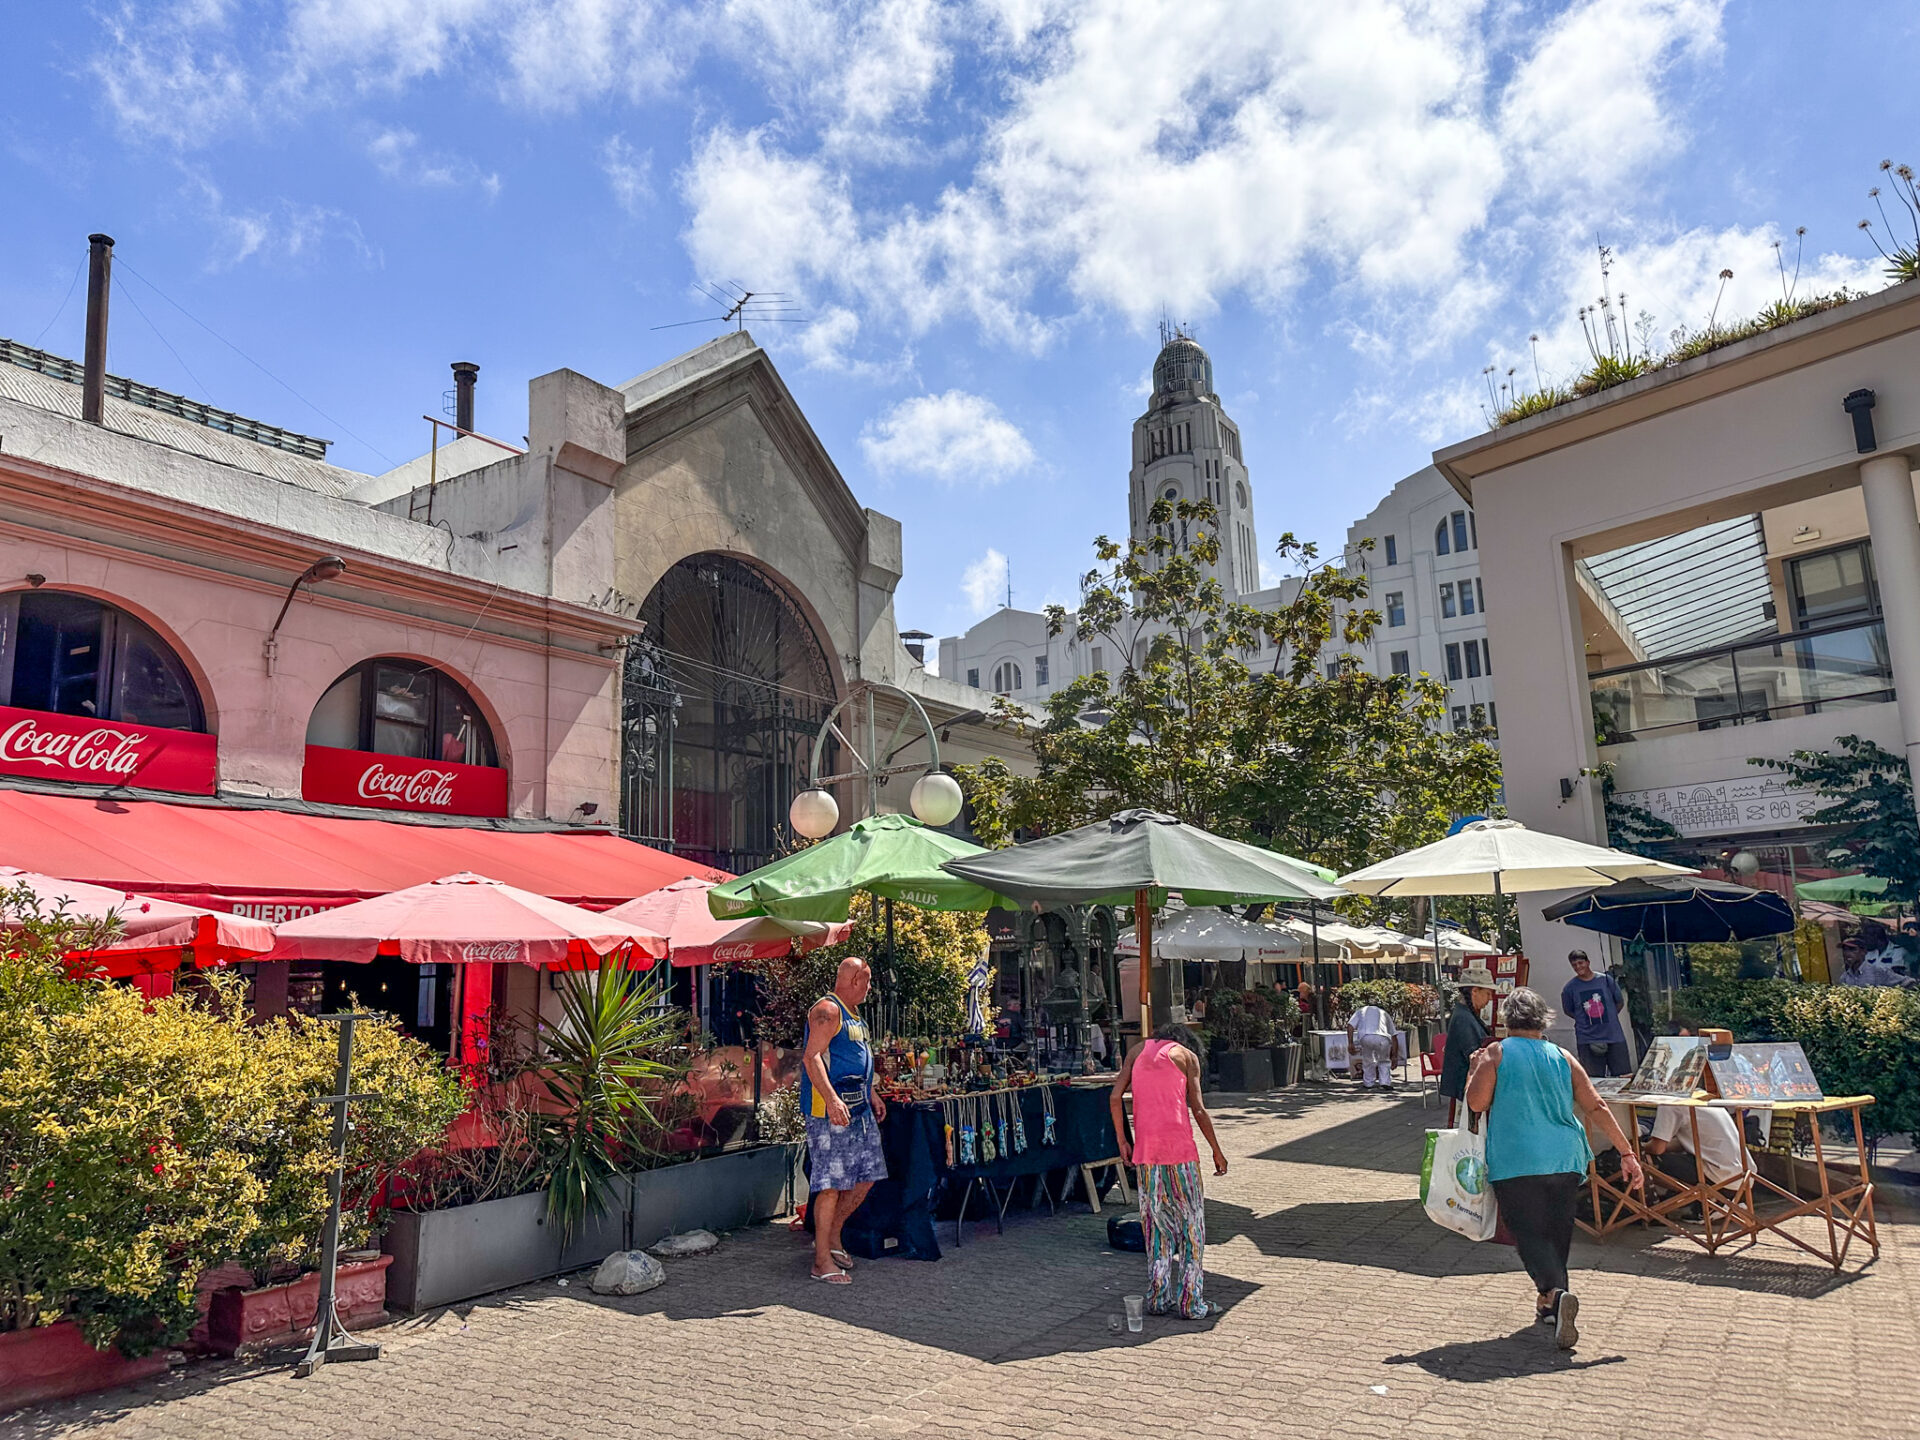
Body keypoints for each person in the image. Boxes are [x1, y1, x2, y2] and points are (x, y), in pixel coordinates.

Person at [1465, 987, 1643, 1350]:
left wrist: (1473, 1070)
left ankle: (1555, 1293)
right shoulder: (1562, 1056)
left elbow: (1477, 1102)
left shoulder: (1496, 1053)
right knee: (1557, 1232)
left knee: (1527, 1232)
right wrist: (1627, 1153)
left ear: (1507, 1019)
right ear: (1542, 1018)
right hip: (1565, 1157)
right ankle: (1551, 1307)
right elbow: (1596, 1106)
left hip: (1517, 1158)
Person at [1111, 1022, 1228, 1319]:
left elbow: (1114, 1098)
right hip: (1181, 1156)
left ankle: (1158, 1297)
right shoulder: (1187, 1057)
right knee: (1191, 1230)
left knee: (1156, 1229)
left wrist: (1123, 1140)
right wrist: (1216, 1149)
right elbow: (1198, 1109)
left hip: (1146, 1157)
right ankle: (1191, 1302)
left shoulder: (1136, 1051)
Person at [800, 957, 888, 1285]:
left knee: (867, 1176)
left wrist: (872, 1092)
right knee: (831, 1185)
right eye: (866, 981)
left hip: (859, 1109)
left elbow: (857, 1059)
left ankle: (833, 1234)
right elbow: (812, 1058)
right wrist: (833, 1099)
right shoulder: (828, 1010)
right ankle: (821, 1261)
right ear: (853, 980)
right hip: (830, 1112)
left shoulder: (853, 1014)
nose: (868, 987)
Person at [1438, 966, 1497, 1125]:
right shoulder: (1463, 1018)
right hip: (1465, 1087)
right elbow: (1474, 1055)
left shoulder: (1466, 1014)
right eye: (1487, 993)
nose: (1489, 999)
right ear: (1474, 991)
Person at [1560, 950, 1630, 1077]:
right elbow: (1568, 1010)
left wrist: (1609, 1016)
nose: (1578, 967)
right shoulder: (1569, 988)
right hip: (1587, 1039)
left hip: (1613, 1036)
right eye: (1574, 965)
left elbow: (1619, 1002)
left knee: (1623, 1077)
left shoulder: (1606, 981)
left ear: (1588, 962)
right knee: (1594, 1080)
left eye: (1580, 963)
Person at [1346, 999, 1397, 1091]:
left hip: (1366, 1036)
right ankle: (1385, 1082)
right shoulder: (1384, 1013)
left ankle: (1368, 1083)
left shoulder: (1361, 1011)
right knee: (1384, 1060)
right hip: (1383, 1038)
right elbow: (1394, 1036)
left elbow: (1350, 1026)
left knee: (1368, 1060)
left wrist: (1350, 1043)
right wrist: (1394, 1056)